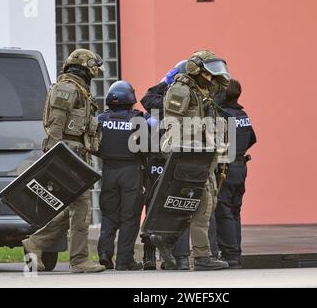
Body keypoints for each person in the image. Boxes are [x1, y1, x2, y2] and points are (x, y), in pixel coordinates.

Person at [22, 49, 106, 273]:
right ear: (84, 68)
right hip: (67, 155)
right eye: (93, 70)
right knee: (81, 208)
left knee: (73, 207)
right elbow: (56, 125)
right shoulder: (68, 89)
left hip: (74, 155)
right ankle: (78, 260)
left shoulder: (78, 90)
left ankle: (35, 244)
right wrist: (56, 157)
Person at [154, 49, 231, 271]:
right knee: (202, 205)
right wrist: (183, 154)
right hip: (190, 156)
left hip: (202, 154)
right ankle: (202, 257)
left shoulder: (200, 89)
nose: (211, 77)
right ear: (196, 70)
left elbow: (224, 85)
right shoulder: (181, 90)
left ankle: (167, 242)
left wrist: (215, 74)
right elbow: (172, 122)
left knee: (198, 204)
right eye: (207, 73)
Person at [140, 60, 191, 270]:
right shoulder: (171, 94)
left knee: (174, 207)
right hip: (163, 159)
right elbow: (147, 99)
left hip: (176, 157)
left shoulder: (193, 97)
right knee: (163, 206)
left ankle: (174, 257)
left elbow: (148, 99)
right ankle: (155, 257)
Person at [97, 80, 145, 271]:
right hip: (131, 171)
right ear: (131, 99)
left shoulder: (101, 119)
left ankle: (104, 255)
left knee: (109, 214)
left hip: (108, 170)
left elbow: (95, 146)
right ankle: (125, 261)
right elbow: (146, 147)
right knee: (129, 217)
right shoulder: (138, 120)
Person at [213, 79, 256, 268]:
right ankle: (236, 253)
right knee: (235, 211)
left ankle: (229, 254)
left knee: (223, 211)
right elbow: (252, 138)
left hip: (226, 168)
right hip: (240, 167)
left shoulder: (223, 116)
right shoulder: (242, 114)